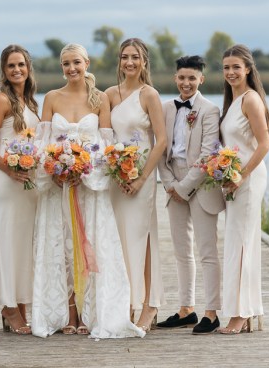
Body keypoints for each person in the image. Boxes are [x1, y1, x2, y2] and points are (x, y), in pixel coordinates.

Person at [31, 43, 144, 339]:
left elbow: (106, 145)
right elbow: (43, 144)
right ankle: (68, 313)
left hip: (89, 187)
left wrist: (83, 169)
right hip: (59, 187)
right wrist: (56, 168)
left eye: (77, 63)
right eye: (66, 64)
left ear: (87, 63)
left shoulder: (100, 99)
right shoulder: (52, 98)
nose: (72, 68)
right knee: (63, 247)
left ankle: (90, 313)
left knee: (89, 246)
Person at [157, 55, 226, 334]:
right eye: (182, 78)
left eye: (192, 78)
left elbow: (210, 154)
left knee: (207, 250)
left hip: (202, 183)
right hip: (173, 182)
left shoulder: (210, 110)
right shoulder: (165, 108)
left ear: (201, 80)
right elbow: (161, 149)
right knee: (181, 250)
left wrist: (184, 187)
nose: (186, 83)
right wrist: (170, 184)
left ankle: (212, 312)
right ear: (175, 79)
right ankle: (186, 309)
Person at [104, 38, 166, 333]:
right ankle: (124, 303)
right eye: (125, 57)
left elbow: (161, 140)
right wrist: (116, 171)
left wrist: (141, 177)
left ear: (144, 62)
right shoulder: (110, 94)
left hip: (142, 178)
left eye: (136, 57)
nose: (130, 62)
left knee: (141, 239)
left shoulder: (149, 95)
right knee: (119, 240)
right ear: (119, 61)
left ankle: (149, 305)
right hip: (117, 179)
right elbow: (105, 137)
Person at [0, 45, 39, 335]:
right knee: (7, 241)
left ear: (28, 68)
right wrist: (9, 168)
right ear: (4, 71)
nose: (17, 70)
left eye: (21, 65)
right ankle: (9, 307)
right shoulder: (1, 100)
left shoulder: (30, 102)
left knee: (24, 244)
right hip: (5, 180)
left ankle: (21, 303)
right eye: (11, 66)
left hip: (27, 182)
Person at [217, 44, 269, 334]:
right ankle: (244, 311)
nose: (231, 72)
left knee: (242, 244)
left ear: (248, 68)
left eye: (236, 67)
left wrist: (241, 175)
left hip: (248, 179)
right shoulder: (233, 100)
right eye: (226, 67)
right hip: (235, 178)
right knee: (238, 243)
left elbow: (265, 143)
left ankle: (240, 315)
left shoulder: (251, 100)